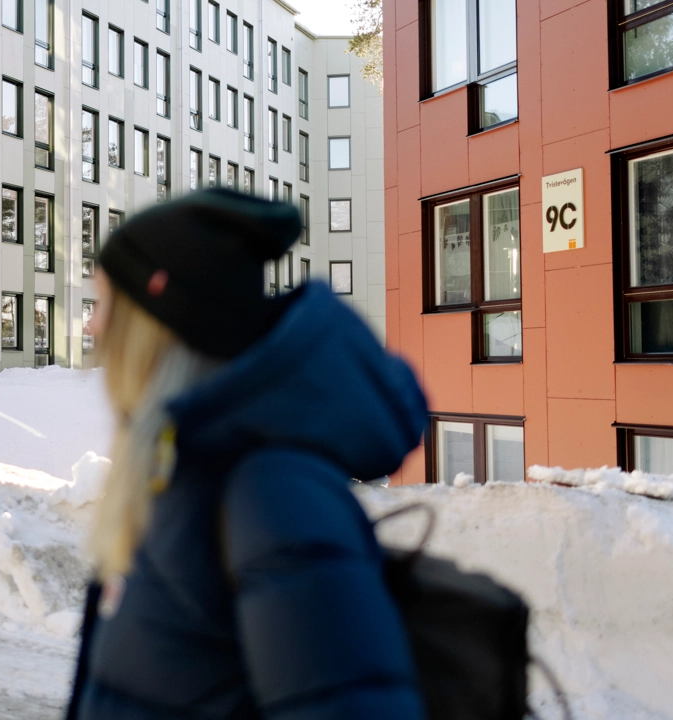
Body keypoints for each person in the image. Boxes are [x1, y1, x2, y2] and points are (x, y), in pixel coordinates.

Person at [65, 189, 429, 720]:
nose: (92, 325)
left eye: (104, 302)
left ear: (159, 327)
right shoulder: (183, 468)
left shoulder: (272, 496)